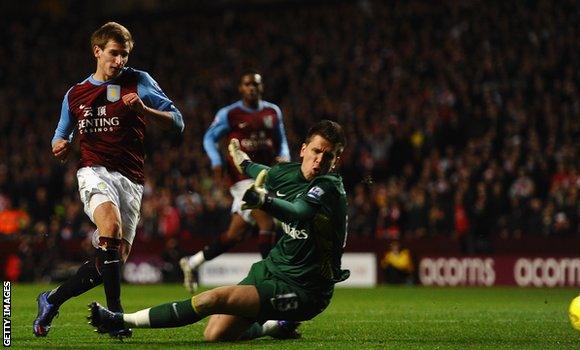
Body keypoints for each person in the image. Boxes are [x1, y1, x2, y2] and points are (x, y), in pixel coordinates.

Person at [89, 120, 348, 342]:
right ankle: (276, 325)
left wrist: (263, 202)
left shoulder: (329, 188)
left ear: (336, 161)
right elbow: (266, 173)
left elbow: (300, 212)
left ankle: (119, 319)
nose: (320, 160)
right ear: (303, 149)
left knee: (210, 299)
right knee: (215, 334)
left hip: (305, 289)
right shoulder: (289, 172)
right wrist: (244, 162)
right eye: (316, 151)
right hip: (274, 267)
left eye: (329, 156)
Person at [33, 22, 184, 339]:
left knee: (110, 262)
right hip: (93, 171)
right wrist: (58, 146)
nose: (119, 61)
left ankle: (51, 299)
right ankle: (116, 316)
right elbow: (61, 135)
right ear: (97, 51)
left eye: (125, 55)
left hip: (131, 180)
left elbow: (177, 122)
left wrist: (145, 110)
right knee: (110, 229)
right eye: (114, 54)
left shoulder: (138, 81)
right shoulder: (76, 94)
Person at [179, 70, 290, 293]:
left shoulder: (272, 111)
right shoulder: (230, 114)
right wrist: (216, 161)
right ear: (241, 88)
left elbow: (282, 141)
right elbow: (209, 138)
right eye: (248, 84)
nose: (252, 88)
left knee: (234, 235)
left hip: (267, 176)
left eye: (256, 84)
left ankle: (192, 263)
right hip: (242, 178)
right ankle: (272, 281)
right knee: (267, 222)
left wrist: (285, 157)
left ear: (262, 88)